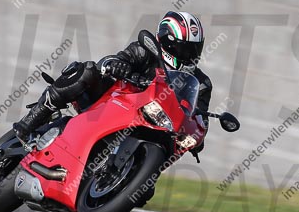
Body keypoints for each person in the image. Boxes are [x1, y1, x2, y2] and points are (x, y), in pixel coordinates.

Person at [13, 11, 213, 141]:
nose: (188, 54)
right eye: (183, 48)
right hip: (109, 100)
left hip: (151, 124)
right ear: (167, 41)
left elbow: (200, 119)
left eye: (193, 49)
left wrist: (196, 137)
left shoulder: (201, 84)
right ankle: (32, 119)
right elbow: (113, 60)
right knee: (88, 70)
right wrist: (119, 67)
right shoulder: (146, 50)